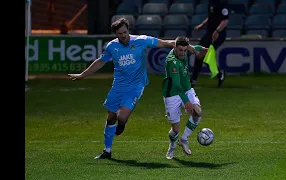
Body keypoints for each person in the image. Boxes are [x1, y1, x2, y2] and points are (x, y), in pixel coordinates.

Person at [67, 18, 198, 159]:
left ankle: (122, 124)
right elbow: (100, 61)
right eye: (119, 33)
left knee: (121, 117)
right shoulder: (112, 47)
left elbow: (164, 43)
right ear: (116, 34)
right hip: (118, 86)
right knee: (111, 117)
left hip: (136, 86)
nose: (123, 35)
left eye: (124, 32)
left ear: (128, 30)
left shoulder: (141, 40)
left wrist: (189, 47)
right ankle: (107, 151)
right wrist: (83, 74)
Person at [162, 36, 207, 159]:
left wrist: (202, 49)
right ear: (174, 47)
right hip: (172, 94)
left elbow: (193, 49)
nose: (182, 53)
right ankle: (172, 146)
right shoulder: (172, 62)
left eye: (184, 50)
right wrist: (186, 102)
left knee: (198, 112)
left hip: (186, 89)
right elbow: (176, 86)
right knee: (175, 129)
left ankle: (184, 139)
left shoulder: (185, 50)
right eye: (180, 50)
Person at [191, 0, 230, 88]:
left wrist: (217, 31)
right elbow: (212, 16)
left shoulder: (222, 3)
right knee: (198, 54)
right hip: (209, 33)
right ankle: (193, 80)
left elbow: (225, 20)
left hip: (218, 35)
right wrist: (202, 24)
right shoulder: (211, 2)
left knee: (203, 55)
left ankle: (219, 74)